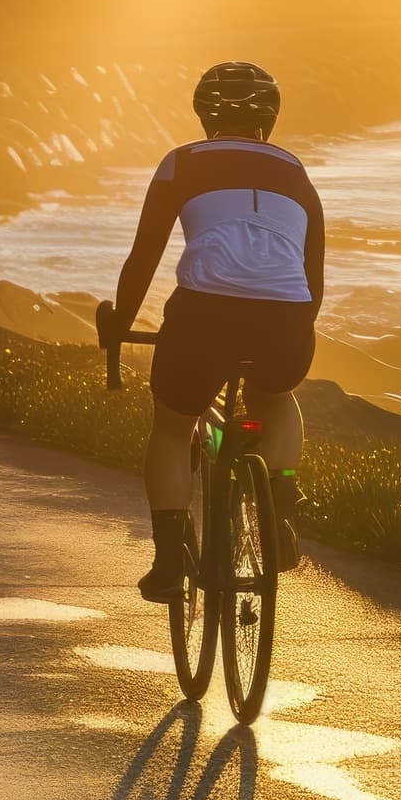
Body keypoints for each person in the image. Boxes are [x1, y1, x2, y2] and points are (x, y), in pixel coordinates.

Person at [113, 61, 322, 601]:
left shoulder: (181, 162)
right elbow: (312, 275)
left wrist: (118, 323)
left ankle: (166, 565)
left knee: (172, 427)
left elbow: (144, 258)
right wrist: (294, 329)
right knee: (277, 399)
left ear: (204, 114)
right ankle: (277, 517)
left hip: (204, 315)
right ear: (270, 118)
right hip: (286, 315)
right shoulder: (297, 173)